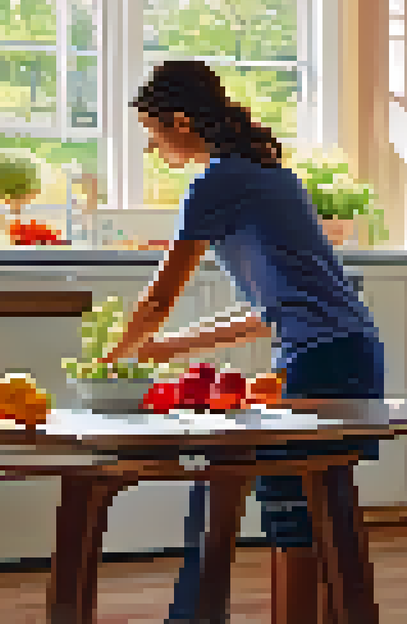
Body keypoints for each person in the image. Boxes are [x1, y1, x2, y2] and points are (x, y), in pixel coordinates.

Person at [99, 60, 384, 623]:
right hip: (347, 350)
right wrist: (162, 350)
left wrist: (115, 358)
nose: (154, 149)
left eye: (154, 134)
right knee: (315, 508)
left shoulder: (217, 183)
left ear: (181, 121)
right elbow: (264, 315)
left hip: (322, 358)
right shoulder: (266, 174)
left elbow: (159, 296)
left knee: (287, 505)